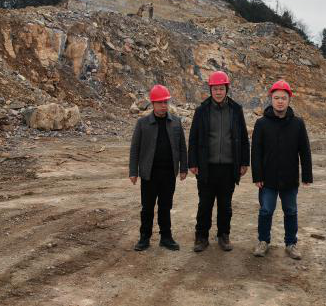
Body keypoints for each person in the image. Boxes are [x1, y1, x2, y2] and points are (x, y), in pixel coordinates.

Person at [188, 71, 250, 252]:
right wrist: (193, 162)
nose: (218, 92)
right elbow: (193, 138)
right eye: (215, 89)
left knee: (225, 205)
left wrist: (244, 162)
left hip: (229, 168)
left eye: (221, 89)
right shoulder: (201, 111)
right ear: (210, 90)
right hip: (207, 167)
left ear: (226, 89)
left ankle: (224, 235)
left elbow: (243, 138)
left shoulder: (236, 110)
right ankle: (201, 237)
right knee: (204, 204)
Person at [251, 80, 313, 259]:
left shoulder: (298, 124)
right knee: (266, 210)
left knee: (291, 211)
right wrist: (257, 176)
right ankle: (263, 241)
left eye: (283, 98)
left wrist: (307, 175)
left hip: (289, 178)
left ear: (289, 100)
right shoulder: (261, 123)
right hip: (267, 179)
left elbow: (305, 151)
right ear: (271, 99)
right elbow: (256, 152)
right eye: (276, 98)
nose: (280, 101)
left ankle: (291, 244)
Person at [129, 84, 187, 251]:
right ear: (153, 103)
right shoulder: (142, 123)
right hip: (149, 174)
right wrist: (133, 171)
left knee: (165, 206)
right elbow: (135, 149)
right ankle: (144, 238)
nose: (163, 105)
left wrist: (183, 168)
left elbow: (182, 147)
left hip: (168, 173)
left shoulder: (175, 122)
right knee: (147, 207)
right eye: (160, 102)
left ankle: (166, 237)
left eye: (165, 102)